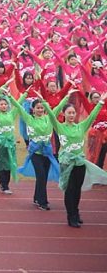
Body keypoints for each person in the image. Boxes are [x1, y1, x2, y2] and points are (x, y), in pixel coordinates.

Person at [47, 95, 107, 228]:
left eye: (73, 112)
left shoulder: (81, 126)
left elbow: (92, 116)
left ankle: (76, 212)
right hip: (67, 163)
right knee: (70, 189)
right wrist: (46, 104)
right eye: (69, 113)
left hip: (80, 163)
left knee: (77, 190)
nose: (71, 115)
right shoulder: (60, 127)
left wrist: (101, 102)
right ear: (64, 114)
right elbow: (51, 115)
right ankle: (71, 216)